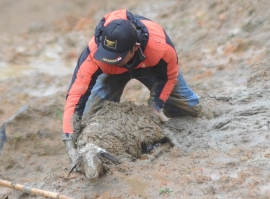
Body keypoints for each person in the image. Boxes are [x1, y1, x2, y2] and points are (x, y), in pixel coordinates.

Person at [62, 9, 211, 164]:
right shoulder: (95, 53)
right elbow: (76, 95)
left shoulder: (160, 48)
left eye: (116, 57)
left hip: (150, 65)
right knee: (89, 119)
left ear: (135, 47)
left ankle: (209, 125)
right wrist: (68, 134)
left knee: (187, 108)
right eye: (107, 55)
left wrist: (156, 107)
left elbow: (169, 77)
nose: (110, 59)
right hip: (109, 74)